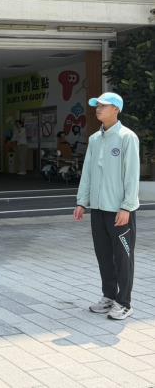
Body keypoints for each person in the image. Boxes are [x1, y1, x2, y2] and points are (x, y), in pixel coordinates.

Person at [74, 92, 140, 320]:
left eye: (103, 105)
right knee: (104, 255)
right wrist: (82, 201)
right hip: (98, 210)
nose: (98, 109)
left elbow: (132, 175)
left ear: (116, 109)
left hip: (120, 211)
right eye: (97, 106)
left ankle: (124, 302)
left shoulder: (127, 137)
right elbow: (87, 172)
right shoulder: (94, 139)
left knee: (123, 257)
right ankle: (109, 296)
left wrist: (127, 207)